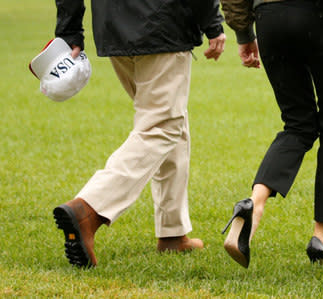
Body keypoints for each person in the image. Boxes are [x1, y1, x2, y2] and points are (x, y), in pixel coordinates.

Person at [52, 0, 226, 268]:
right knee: (162, 126)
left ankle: (173, 232)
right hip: (164, 24)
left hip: (114, 27)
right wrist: (213, 24)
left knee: (169, 121)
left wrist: (69, 30)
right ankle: (88, 209)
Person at [220, 0, 323, 268]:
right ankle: (322, 237)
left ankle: (254, 203)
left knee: (298, 124)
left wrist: (243, 31)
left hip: (271, 19)